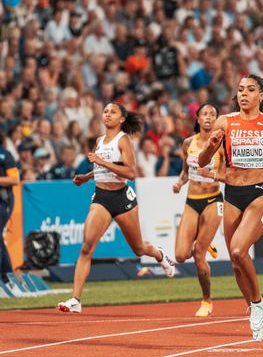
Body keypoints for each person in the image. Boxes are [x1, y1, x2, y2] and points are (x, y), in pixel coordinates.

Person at [197, 74, 263, 342]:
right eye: (240, 89)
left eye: (250, 90)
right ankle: (253, 304)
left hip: (261, 194)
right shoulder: (225, 122)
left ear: (261, 95)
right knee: (236, 262)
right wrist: (210, 147)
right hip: (232, 194)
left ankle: (257, 303)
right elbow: (202, 161)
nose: (243, 94)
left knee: (241, 249)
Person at [57, 103, 176, 313]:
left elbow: (130, 172)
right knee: (86, 247)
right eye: (105, 111)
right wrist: (87, 177)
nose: (107, 115)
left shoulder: (123, 140)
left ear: (121, 119)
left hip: (122, 198)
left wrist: (101, 162)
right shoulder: (99, 141)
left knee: (138, 248)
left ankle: (159, 255)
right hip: (101, 197)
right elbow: (102, 168)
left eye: (112, 112)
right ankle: (75, 299)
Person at [172, 103, 224, 317]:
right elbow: (186, 172)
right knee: (181, 254)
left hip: (213, 199)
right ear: (198, 118)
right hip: (192, 200)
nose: (209, 117)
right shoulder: (188, 143)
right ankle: (204, 238)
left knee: (199, 255)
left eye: (213, 114)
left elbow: (228, 176)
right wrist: (179, 183)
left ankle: (206, 301)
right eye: (205, 114)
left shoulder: (221, 144)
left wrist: (211, 174)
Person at [0, 131, 20, 285]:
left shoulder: (4, 155)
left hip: (3, 200)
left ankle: (6, 277)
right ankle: (7, 277)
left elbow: (14, 179)